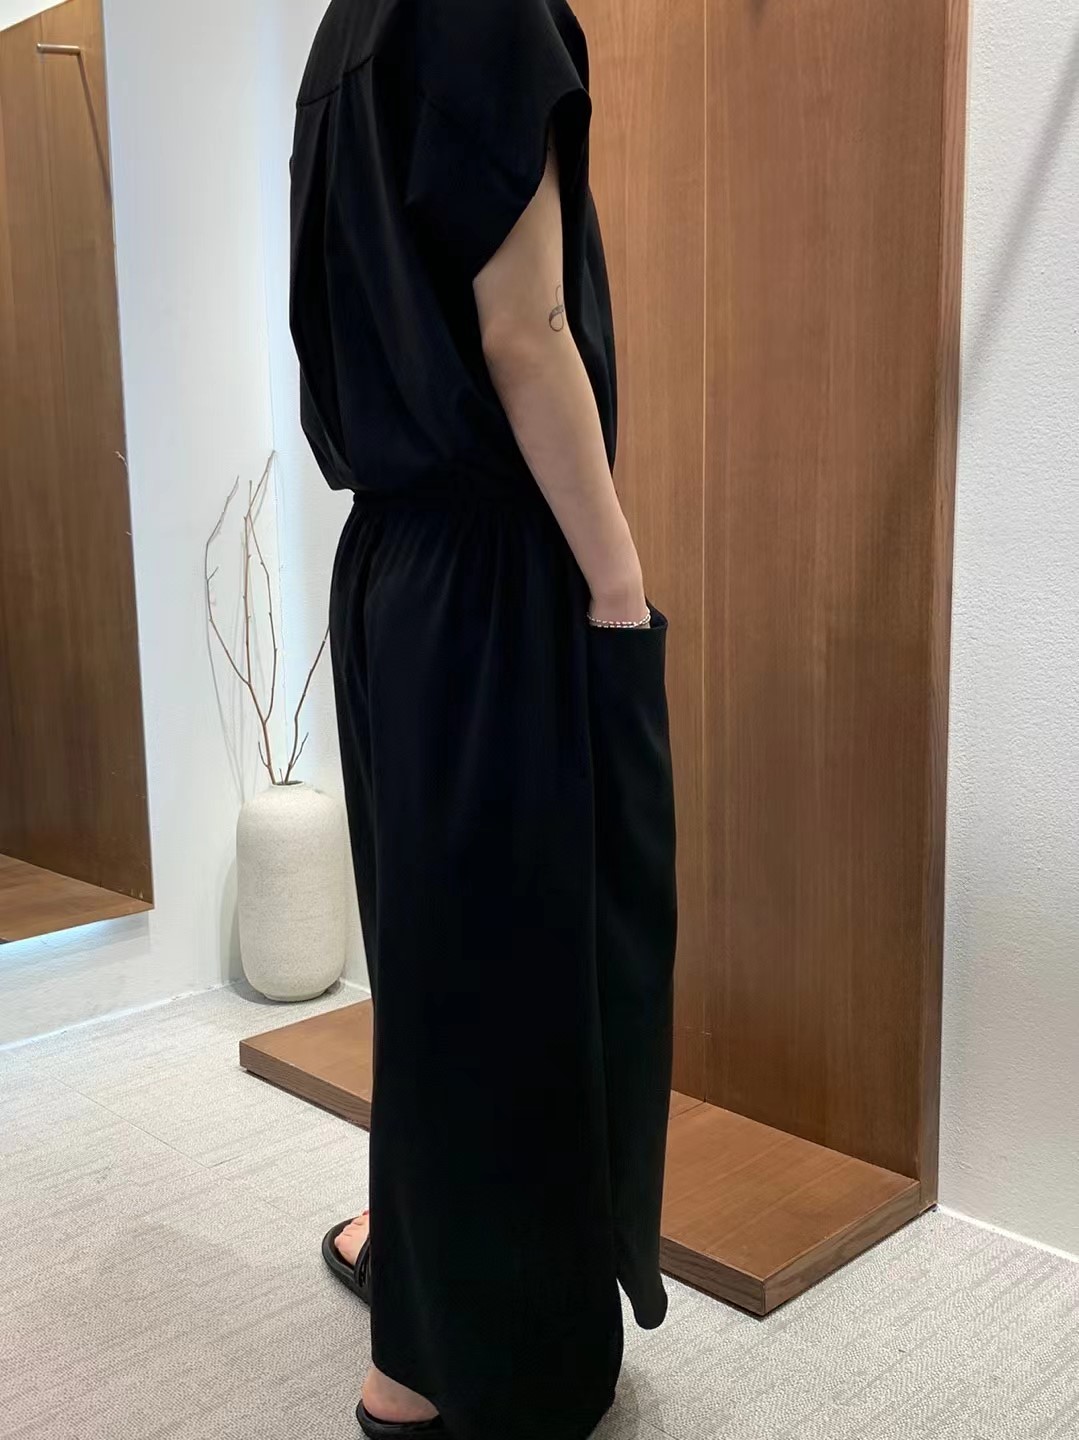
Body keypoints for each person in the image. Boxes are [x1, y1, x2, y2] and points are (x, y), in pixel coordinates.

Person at [290, 1, 678, 1437]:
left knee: (437, 949)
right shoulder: (490, 10)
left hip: (390, 564)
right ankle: (435, 1370)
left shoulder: (347, 30)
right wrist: (618, 584)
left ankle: (415, 1247)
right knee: (516, 971)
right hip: (493, 568)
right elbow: (526, 327)